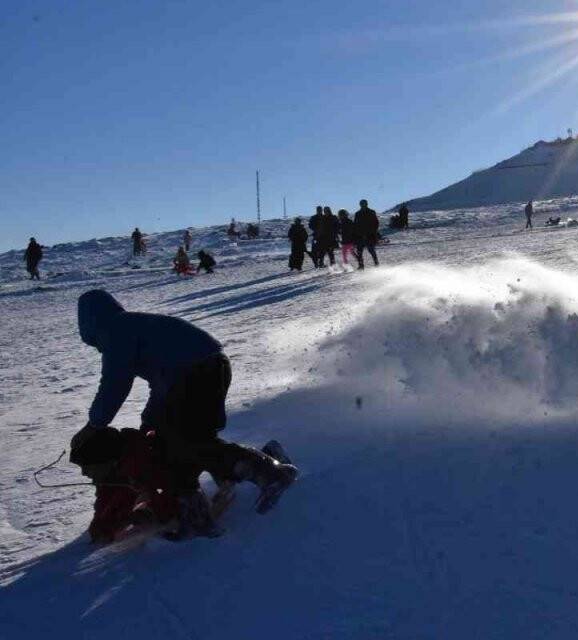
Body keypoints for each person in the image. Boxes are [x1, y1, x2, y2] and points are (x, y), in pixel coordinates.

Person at [70, 290, 297, 540]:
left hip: (197, 372)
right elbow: (161, 381)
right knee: (177, 443)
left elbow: (115, 384)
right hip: (206, 368)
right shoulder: (131, 326)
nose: (97, 349)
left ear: (89, 325)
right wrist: (149, 421)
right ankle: (204, 506)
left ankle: (270, 474)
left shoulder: (116, 331)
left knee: (187, 442)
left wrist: (94, 425)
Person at [353, 199, 380, 268]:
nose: (363, 205)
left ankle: (376, 263)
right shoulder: (357, 213)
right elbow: (355, 225)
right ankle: (361, 265)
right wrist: (356, 234)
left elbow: (376, 223)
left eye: (364, 204)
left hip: (369, 235)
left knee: (371, 250)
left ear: (366, 204)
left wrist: (373, 232)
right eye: (362, 204)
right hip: (360, 235)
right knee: (359, 252)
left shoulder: (371, 212)